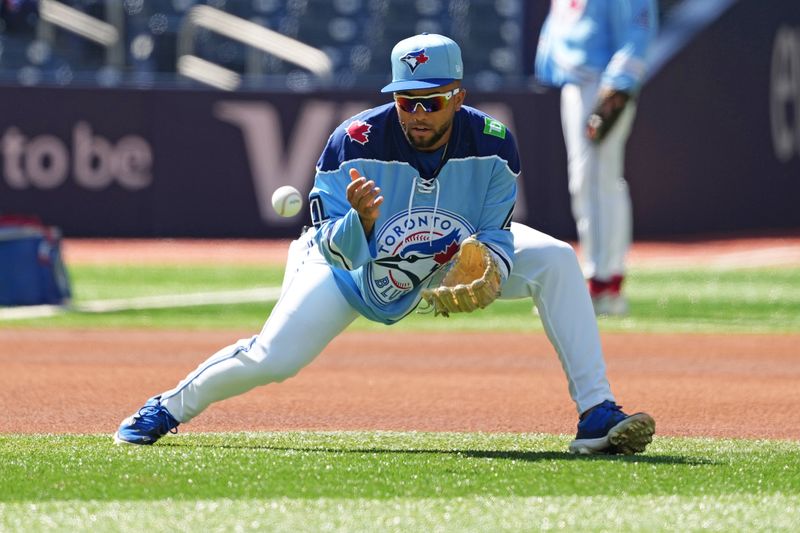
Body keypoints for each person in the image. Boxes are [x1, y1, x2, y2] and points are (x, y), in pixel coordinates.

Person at [114, 33, 655, 455]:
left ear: (458, 96)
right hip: (348, 265)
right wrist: (364, 222)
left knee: (557, 259)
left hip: (442, 255)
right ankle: (167, 408)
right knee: (273, 358)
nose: (418, 115)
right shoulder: (354, 142)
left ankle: (596, 414)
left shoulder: (493, 144)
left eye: (432, 102)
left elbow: (494, 230)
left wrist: (490, 263)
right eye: (406, 102)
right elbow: (331, 243)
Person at [534, 0, 658, 316]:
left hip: (600, 82)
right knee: (588, 181)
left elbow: (638, 31)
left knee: (596, 180)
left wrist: (618, 87)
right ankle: (603, 279)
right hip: (576, 80)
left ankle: (602, 282)